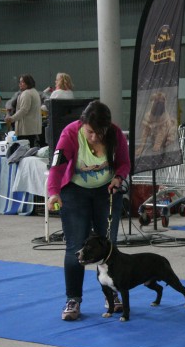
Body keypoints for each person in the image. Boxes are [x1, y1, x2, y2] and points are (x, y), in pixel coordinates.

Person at [46, 100, 131, 321]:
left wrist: (118, 177)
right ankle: (73, 299)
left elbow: (124, 162)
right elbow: (57, 167)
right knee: (76, 246)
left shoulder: (115, 134)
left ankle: (111, 294)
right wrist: (53, 193)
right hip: (75, 192)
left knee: (108, 246)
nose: (94, 137)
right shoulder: (70, 134)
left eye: (99, 132)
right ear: (82, 124)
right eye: (90, 131)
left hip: (107, 191)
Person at [4, 74, 41, 147]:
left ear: (28, 82)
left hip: (25, 129)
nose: (20, 84)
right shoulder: (35, 92)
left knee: (24, 150)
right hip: (33, 128)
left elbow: (24, 110)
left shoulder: (26, 93)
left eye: (22, 82)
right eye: (20, 82)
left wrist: (12, 118)